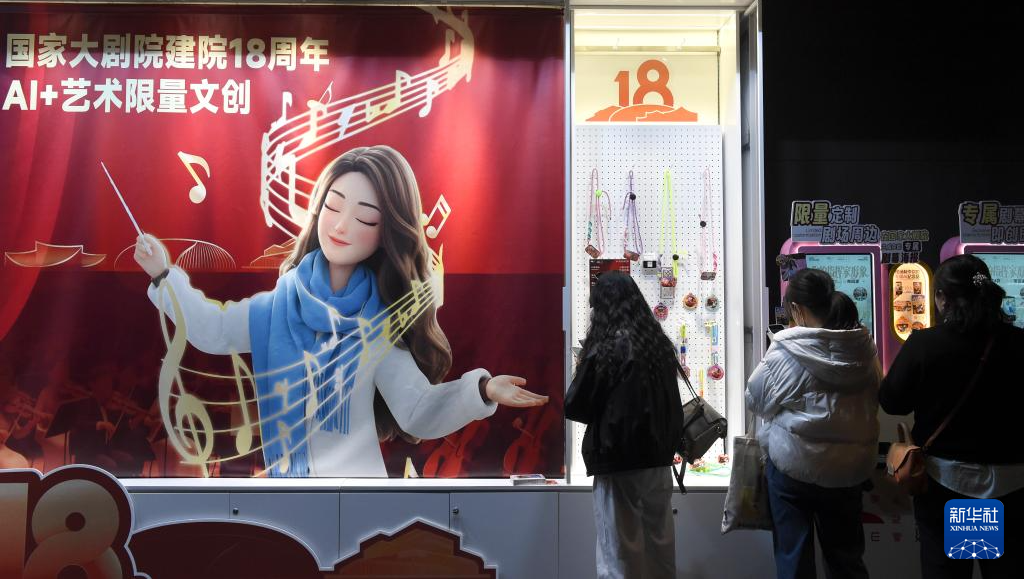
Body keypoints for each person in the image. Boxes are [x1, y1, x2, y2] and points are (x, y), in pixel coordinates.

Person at [135, 145, 547, 476]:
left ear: (387, 233)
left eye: (364, 218)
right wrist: (164, 276)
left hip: (358, 497)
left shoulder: (378, 325)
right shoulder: (274, 309)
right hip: (289, 491)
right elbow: (213, 330)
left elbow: (417, 411)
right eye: (333, 207)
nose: (341, 226)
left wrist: (481, 390)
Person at [880, 254, 1024, 579]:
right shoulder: (1019, 343)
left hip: (945, 483)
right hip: (1013, 484)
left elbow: (892, 402)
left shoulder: (925, 344)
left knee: (945, 571)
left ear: (942, 298)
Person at [746, 268, 880, 579]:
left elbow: (756, 400)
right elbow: (877, 393)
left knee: (794, 560)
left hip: (795, 467)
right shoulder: (864, 347)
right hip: (850, 470)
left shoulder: (786, 350)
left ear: (796, 308)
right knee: (846, 560)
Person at [565, 271, 682, 579]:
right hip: (658, 460)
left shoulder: (606, 348)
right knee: (660, 544)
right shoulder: (658, 345)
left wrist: (581, 367)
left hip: (618, 461)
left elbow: (575, 405)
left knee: (618, 551)